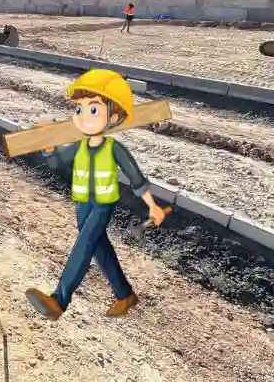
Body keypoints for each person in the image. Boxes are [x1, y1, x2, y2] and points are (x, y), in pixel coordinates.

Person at [24, 69, 167, 321]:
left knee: (85, 244)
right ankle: (125, 295)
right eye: (79, 109)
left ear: (113, 116)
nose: (83, 117)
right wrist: (48, 149)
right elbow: (58, 165)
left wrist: (152, 206)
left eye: (93, 110)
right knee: (100, 247)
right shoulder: (79, 146)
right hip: (82, 203)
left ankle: (59, 300)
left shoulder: (114, 148)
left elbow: (137, 179)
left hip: (102, 205)